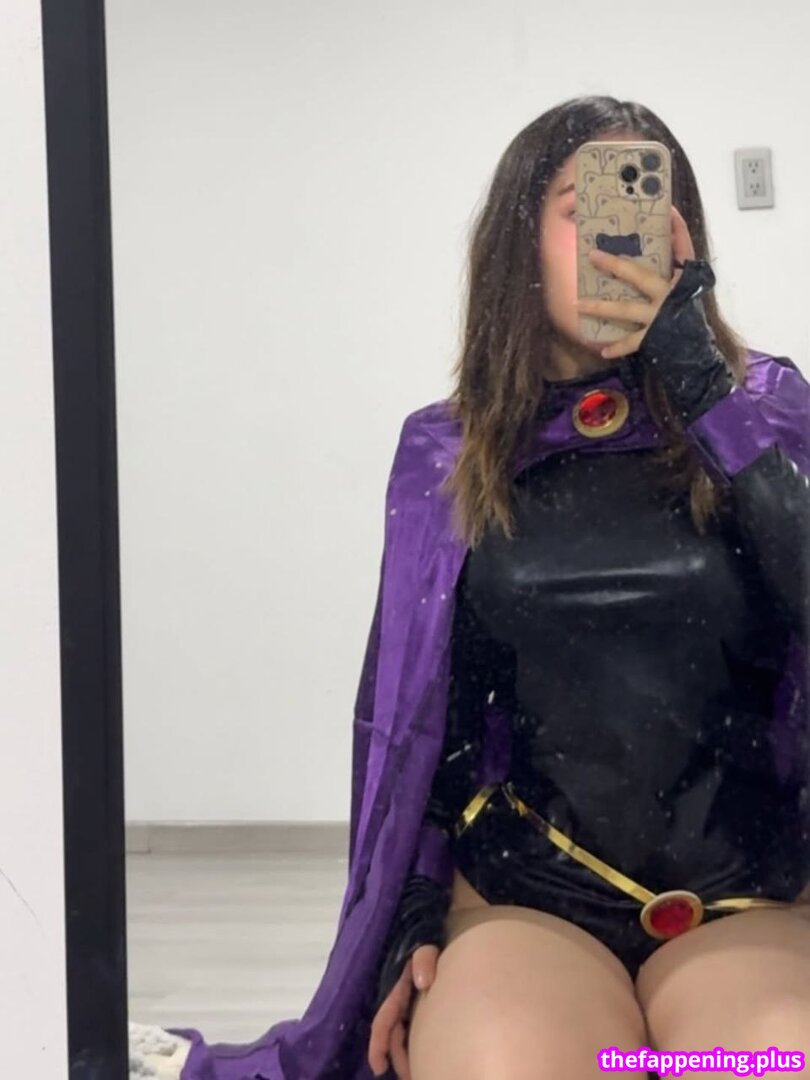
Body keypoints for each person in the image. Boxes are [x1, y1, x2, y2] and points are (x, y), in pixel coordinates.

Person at [171, 96, 810, 1080]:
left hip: (743, 899)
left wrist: (700, 389)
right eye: (582, 208)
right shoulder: (450, 450)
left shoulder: (765, 412)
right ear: (521, 239)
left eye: (649, 207)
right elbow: (422, 717)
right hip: (530, 899)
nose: (618, 238)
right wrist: (412, 911)